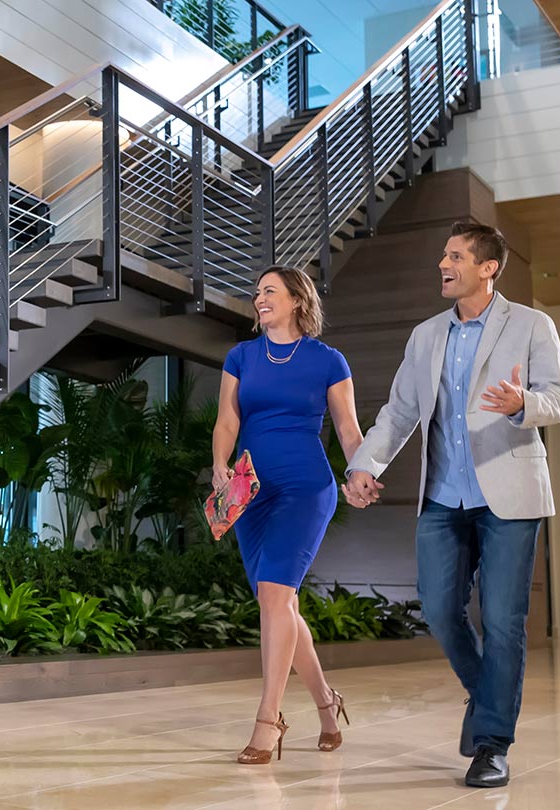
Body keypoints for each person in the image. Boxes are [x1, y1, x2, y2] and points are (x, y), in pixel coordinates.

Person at [341, 220, 560, 788]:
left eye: (456, 257)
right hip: (443, 495)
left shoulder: (533, 325)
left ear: (488, 268)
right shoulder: (425, 336)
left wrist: (523, 403)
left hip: (510, 495)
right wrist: (365, 465)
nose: (444, 265)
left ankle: (492, 743)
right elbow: (398, 412)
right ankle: (488, 693)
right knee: (441, 611)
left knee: (503, 620)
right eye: (444, 256)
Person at [211, 266, 367, 764]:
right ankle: (326, 703)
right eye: (257, 293)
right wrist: (218, 464)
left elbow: (347, 429)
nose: (259, 299)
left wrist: (359, 472)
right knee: (280, 604)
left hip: (305, 490)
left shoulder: (328, 361)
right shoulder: (242, 356)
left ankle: (268, 720)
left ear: (298, 299)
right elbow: (228, 419)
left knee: (275, 598)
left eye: (269, 291)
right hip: (250, 492)